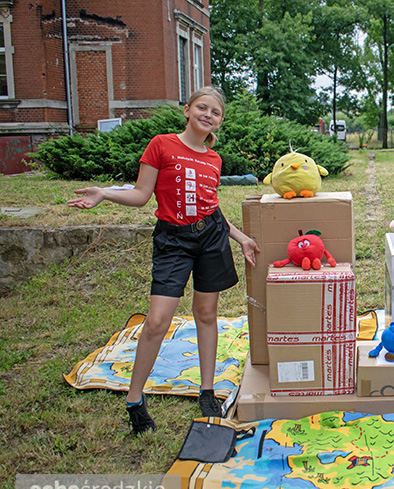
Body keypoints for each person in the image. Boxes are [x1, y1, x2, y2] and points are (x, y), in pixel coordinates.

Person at [67, 86, 260, 435]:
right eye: (202, 107)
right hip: (173, 240)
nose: (207, 115)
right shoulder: (161, 144)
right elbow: (142, 195)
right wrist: (104, 194)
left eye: (215, 112)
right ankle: (135, 399)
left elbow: (210, 207)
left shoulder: (214, 159)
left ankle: (206, 391)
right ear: (187, 110)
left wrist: (241, 237)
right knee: (156, 321)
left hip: (212, 237)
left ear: (220, 121)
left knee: (206, 314)